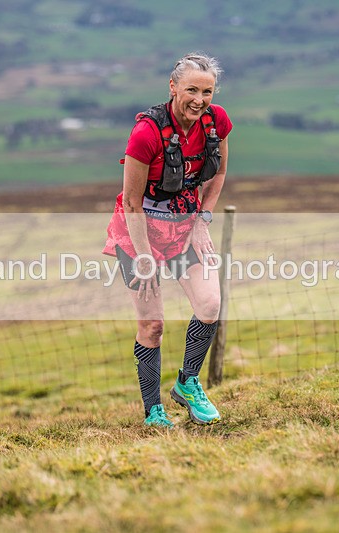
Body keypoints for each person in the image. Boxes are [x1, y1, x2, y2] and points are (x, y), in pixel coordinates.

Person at [103, 52, 233, 428]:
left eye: (207, 91)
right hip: (138, 233)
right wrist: (144, 257)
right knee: (153, 325)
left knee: (209, 304)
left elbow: (219, 172)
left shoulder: (216, 121)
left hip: (184, 228)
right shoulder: (146, 133)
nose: (199, 99)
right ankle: (153, 412)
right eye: (191, 89)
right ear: (173, 87)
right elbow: (131, 201)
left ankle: (188, 383)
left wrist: (202, 219)